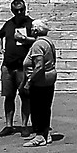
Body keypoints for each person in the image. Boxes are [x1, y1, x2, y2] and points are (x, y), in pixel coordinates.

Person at [0, 0, 34, 133]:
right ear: (12, 11)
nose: (19, 13)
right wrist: (0, 48)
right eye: (16, 10)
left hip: (23, 66)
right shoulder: (9, 24)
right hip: (8, 65)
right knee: (8, 96)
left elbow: (38, 39)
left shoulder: (31, 23)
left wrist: (25, 39)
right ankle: (8, 125)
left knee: (25, 95)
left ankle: (24, 125)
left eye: (21, 10)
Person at [21, 15, 59, 144]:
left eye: (32, 28)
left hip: (40, 80)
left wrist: (29, 81)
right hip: (49, 78)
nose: (31, 30)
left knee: (37, 108)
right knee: (45, 107)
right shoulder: (48, 42)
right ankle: (45, 133)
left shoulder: (38, 45)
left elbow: (39, 66)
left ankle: (39, 135)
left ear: (36, 30)